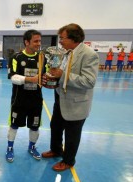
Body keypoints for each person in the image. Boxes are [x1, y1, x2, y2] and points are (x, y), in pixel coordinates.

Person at [41, 23, 99, 172]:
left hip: (76, 103)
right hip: (60, 98)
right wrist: (53, 79)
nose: (60, 41)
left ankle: (68, 161)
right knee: (55, 127)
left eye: (62, 38)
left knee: (72, 135)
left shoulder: (89, 54)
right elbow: (61, 74)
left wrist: (62, 76)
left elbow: (89, 81)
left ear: (74, 38)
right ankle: (56, 150)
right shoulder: (67, 52)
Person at [5, 29, 46, 163]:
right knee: (14, 125)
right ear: (26, 42)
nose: (38, 44)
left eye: (39, 41)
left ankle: (32, 147)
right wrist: (31, 79)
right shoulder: (16, 57)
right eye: (35, 41)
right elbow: (12, 77)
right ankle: (10, 148)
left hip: (36, 99)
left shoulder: (42, 57)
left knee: (35, 126)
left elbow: (45, 76)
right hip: (19, 99)